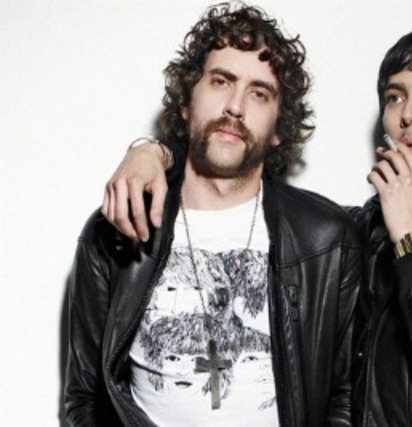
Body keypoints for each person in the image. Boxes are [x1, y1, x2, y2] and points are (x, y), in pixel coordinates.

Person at [103, 26, 412, 426]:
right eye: (395, 96)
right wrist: (154, 152)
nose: (408, 113)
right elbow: (234, 166)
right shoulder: (359, 229)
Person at [65, 4, 361, 427]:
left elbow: (344, 396)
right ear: (187, 101)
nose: (235, 107)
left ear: (279, 129)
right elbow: (86, 397)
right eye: (221, 81)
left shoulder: (327, 239)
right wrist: (149, 149)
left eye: (259, 93)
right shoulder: (116, 227)